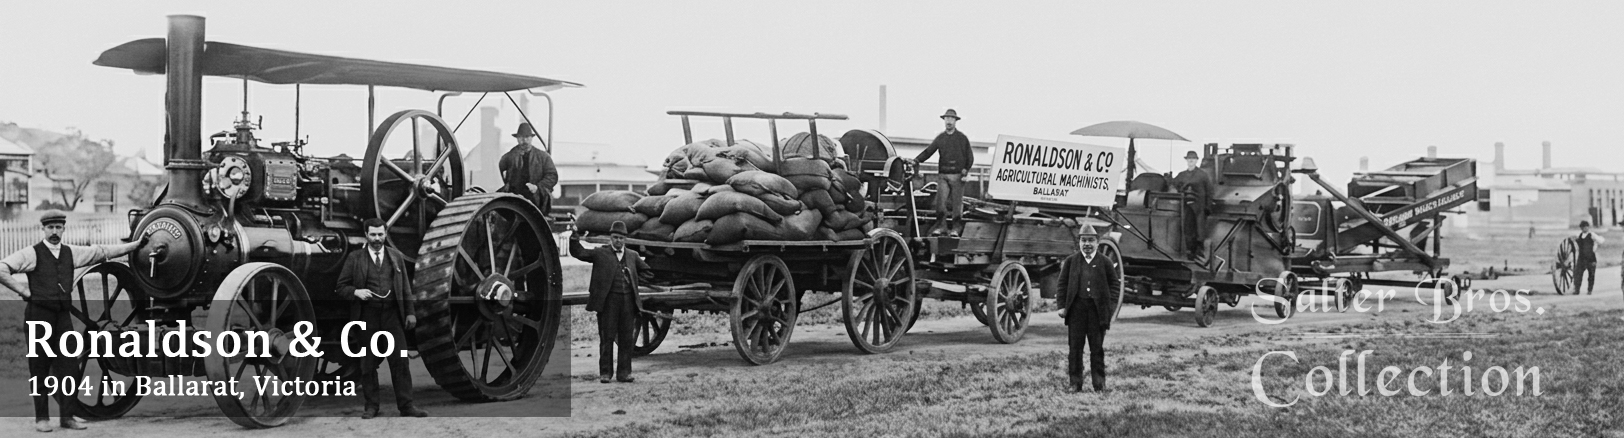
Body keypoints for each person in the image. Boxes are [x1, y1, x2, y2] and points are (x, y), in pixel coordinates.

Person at [0, 210, 144, 432]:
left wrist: (134, 246)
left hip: (62, 317)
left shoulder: (71, 253)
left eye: (59, 227)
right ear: (44, 229)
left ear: (63, 229)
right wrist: (22, 290)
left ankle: (67, 417)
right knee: (39, 368)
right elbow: (2, 268)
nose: (55, 232)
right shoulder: (32, 253)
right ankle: (42, 419)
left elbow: (102, 252)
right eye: (51, 228)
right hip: (39, 316)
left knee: (70, 369)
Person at [336, 218, 428, 419]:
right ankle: (371, 407)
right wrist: (356, 292)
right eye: (373, 235)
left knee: (400, 362)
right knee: (368, 365)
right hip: (367, 316)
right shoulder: (355, 258)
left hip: (392, 316)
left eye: (380, 234)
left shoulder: (396, 257)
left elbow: (404, 288)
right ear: (366, 235)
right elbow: (340, 287)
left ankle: (407, 406)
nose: (377, 239)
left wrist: (410, 313)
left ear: (385, 234)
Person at [569, 221, 650, 383]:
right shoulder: (601, 253)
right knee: (607, 338)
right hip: (608, 303)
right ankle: (605, 373)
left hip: (628, 302)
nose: (618, 241)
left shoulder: (632, 256)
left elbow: (647, 271)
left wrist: (633, 279)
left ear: (625, 239)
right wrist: (574, 237)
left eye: (621, 238)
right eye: (615, 237)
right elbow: (579, 253)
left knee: (627, 339)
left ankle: (624, 373)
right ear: (610, 238)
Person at [1056, 225, 1121, 392]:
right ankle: (1075, 383)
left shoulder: (1104, 262)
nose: (1087, 244)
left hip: (1097, 312)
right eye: (1083, 240)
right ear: (1079, 242)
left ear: (1097, 243)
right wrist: (1062, 306)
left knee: (1096, 349)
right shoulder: (1071, 261)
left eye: (1091, 240)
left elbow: (1115, 285)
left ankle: (1099, 384)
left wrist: (1110, 307)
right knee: (1075, 349)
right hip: (1076, 311)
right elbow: (1062, 284)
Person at [913, 109, 973, 237]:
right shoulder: (940, 138)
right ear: (944, 121)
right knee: (940, 204)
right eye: (947, 119)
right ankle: (941, 227)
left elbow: (970, 157)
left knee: (957, 205)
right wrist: (916, 160)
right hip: (943, 176)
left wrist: (965, 169)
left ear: (955, 121)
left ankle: (956, 228)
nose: (949, 121)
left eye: (951, 119)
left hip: (957, 176)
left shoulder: (962, 138)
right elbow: (928, 151)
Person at [499, 122, 560, 214]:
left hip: (536, 201)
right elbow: (498, 173)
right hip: (513, 200)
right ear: (517, 139)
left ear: (531, 138)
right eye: (521, 137)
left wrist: (538, 187)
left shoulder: (543, 157)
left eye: (527, 137)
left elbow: (552, 176)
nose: (525, 140)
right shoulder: (508, 157)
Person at [1171, 151, 1214, 256]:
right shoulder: (1182, 175)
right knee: (1188, 228)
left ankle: (1199, 250)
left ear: (1196, 161)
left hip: (1200, 205)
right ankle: (1190, 249)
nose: (1191, 161)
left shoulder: (1202, 175)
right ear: (1186, 160)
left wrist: (1208, 206)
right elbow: (1174, 184)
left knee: (1200, 228)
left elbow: (1209, 191)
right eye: (1189, 159)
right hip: (1187, 205)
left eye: (1193, 159)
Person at [1573, 221, 1605, 295]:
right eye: (1583, 227)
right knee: (1578, 274)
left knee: (1591, 275)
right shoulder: (1579, 235)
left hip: (1591, 258)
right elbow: (1575, 243)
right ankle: (1577, 290)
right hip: (1581, 258)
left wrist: (1596, 246)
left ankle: (1589, 290)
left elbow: (1601, 240)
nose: (1585, 228)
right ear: (1581, 228)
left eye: (1587, 226)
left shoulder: (1592, 235)